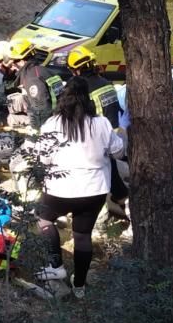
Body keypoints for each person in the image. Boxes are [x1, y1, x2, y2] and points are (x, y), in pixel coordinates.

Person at [28, 77, 124, 298]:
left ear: (63, 99)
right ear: (88, 99)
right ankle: (79, 285)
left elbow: (43, 159)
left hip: (59, 189)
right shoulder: (101, 123)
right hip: (94, 190)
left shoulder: (52, 124)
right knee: (82, 236)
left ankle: (56, 265)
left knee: (43, 219)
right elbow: (118, 152)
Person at [66, 46, 129, 217]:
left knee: (96, 175)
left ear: (77, 70)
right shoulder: (106, 82)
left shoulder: (83, 90)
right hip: (116, 132)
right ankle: (122, 199)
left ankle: (102, 212)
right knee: (113, 172)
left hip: (98, 137)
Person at [7, 38, 65, 131]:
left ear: (22, 61)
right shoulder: (41, 70)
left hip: (51, 122)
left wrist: (36, 132)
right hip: (60, 115)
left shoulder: (32, 78)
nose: (12, 67)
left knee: (12, 119)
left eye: (13, 62)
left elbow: (41, 110)